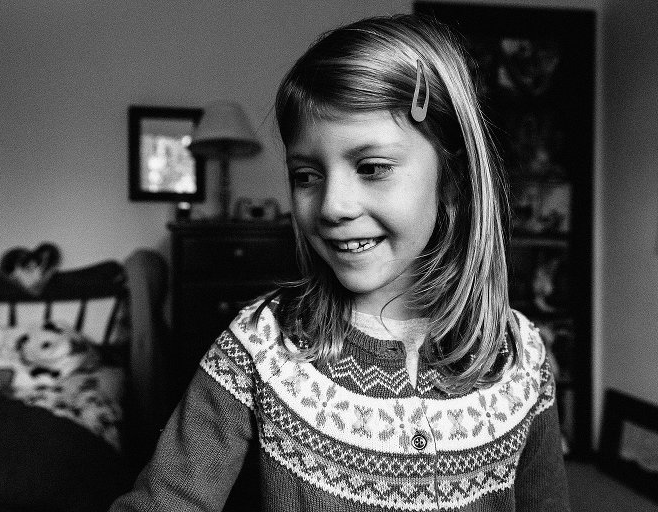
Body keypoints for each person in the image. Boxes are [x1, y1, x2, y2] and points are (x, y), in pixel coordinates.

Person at [110, 13, 570, 512]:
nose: (331, 206)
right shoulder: (262, 344)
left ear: (453, 181)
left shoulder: (521, 358)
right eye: (306, 175)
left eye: (372, 168)